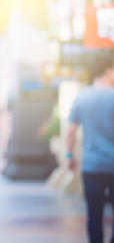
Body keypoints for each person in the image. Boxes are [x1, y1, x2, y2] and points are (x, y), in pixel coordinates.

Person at [66, 57, 114, 243]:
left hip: (92, 166)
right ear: (108, 71)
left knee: (94, 214)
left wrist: (70, 156)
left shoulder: (82, 97)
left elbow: (71, 132)